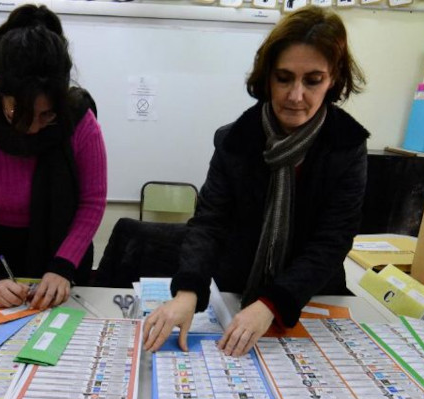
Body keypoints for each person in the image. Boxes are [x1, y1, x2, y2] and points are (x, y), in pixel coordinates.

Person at [143, 5, 368, 356]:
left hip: (309, 296)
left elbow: (331, 240)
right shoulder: (236, 139)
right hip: (236, 293)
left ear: (333, 79)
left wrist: (271, 304)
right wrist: (188, 291)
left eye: (313, 80)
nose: (296, 95)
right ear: (267, 77)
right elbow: (210, 222)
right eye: (283, 78)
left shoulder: (346, 145)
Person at [0, 4, 107, 309]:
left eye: (47, 115)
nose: (32, 128)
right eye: (19, 112)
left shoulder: (80, 123)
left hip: (64, 253)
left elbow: (91, 204)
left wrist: (63, 266)